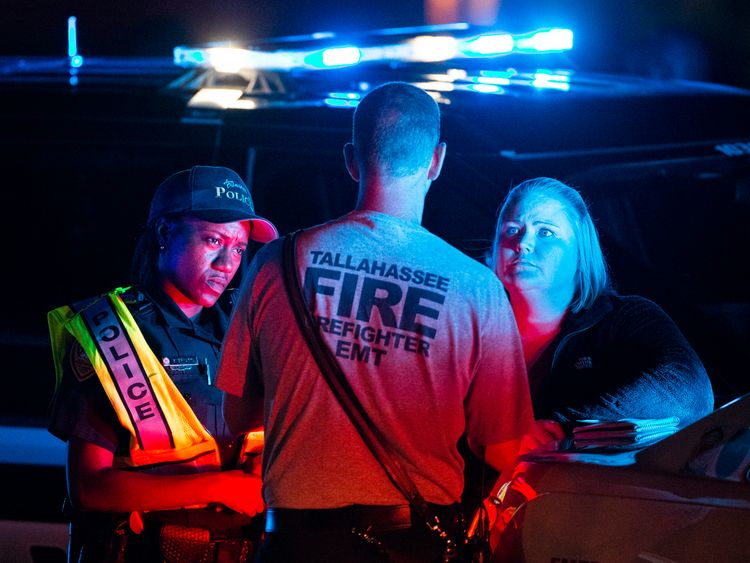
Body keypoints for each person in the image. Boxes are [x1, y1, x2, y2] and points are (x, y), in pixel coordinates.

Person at [216, 82, 534, 562]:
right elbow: (501, 451)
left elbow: (235, 418)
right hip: (414, 543)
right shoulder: (477, 288)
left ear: (351, 158)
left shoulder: (274, 263)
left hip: (295, 545)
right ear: (437, 161)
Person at [48, 165, 278, 562]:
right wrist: (221, 487)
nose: (228, 262)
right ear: (164, 233)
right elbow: (89, 488)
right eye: (213, 240)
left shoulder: (246, 328)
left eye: (240, 248)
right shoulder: (110, 331)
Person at [488, 177, 714, 428]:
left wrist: (560, 428)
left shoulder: (626, 319)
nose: (523, 243)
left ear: (580, 248)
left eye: (545, 232)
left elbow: (688, 392)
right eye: (511, 230)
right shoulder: (474, 329)